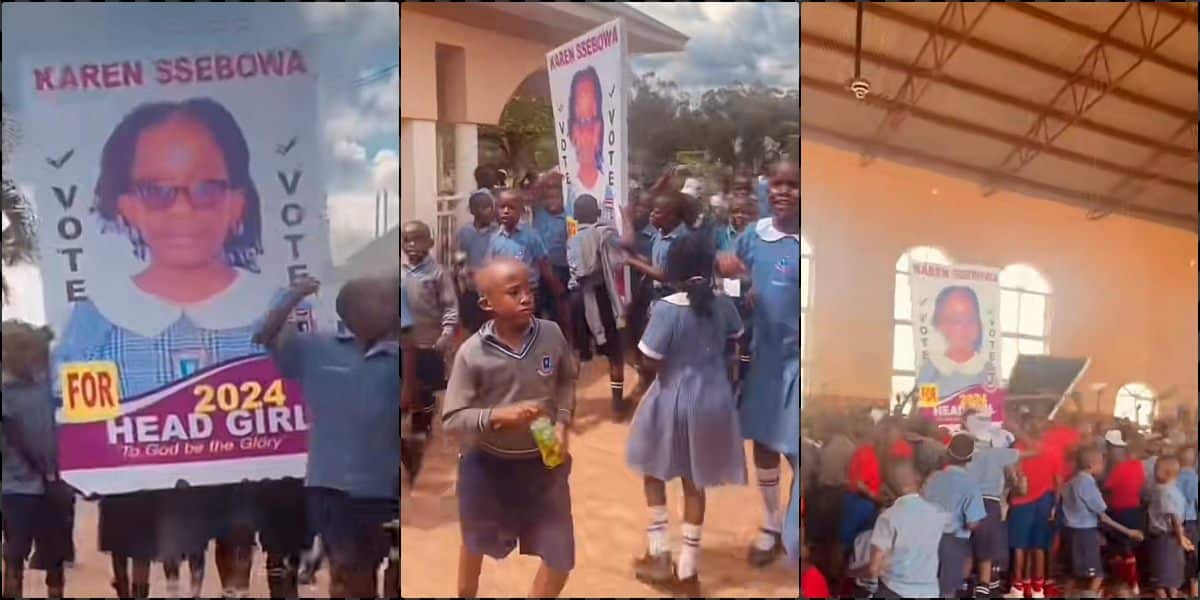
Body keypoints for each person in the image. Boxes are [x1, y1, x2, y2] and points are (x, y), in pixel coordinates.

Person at [57, 98, 287, 398]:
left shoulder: (284, 312)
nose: (182, 210)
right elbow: (79, 418)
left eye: (206, 189)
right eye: (156, 191)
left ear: (237, 202)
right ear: (127, 207)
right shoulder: (95, 324)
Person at [254, 275, 400, 598]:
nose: (392, 308)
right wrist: (293, 295)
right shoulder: (315, 348)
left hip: (388, 486)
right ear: (353, 310)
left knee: (394, 571)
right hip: (333, 487)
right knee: (349, 570)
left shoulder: (401, 354)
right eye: (383, 301)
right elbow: (265, 334)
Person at [441, 259, 579, 599]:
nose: (526, 298)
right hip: (488, 460)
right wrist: (498, 416)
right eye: (514, 292)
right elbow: (452, 418)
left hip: (545, 449)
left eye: (529, 289)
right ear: (487, 304)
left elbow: (566, 379)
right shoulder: (472, 353)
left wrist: (562, 421)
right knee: (476, 542)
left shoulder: (551, 334)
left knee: (560, 554)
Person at [625, 232, 747, 596]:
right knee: (695, 483)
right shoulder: (723, 305)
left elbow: (650, 358)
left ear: (673, 269)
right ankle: (688, 570)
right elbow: (736, 339)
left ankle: (659, 552)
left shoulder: (667, 308)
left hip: (674, 395)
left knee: (653, 470)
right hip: (715, 399)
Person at [715, 160, 801, 567]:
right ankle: (771, 524)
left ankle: (795, 534)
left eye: (793, 185)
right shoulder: (755, 234)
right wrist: (727, 269)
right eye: (777, 183)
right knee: (764, 444)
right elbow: (728, 267)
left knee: (799, 454)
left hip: (801, 365)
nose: (783, 191)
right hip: (765, 359)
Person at [1, 322, 71, 599]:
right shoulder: (13, 390)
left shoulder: (51, 384)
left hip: (47, 481)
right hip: (20, 484)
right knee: (17, 552)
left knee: (51, 553)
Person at [401, 219, 460, 483]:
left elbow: (449, 307)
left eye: (418, 239)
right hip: (402, 349)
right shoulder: (398, 273)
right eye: (406, 240)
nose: (412, 245)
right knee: (402, 397)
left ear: (430, 242)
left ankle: (420, 439)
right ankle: (408, 447)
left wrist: (445, 335)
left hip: (428, 346)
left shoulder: (437, 273)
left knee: (424, 397)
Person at [565, 194, 629, 420]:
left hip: (577, 300)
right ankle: (617, 405)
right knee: (615, 353)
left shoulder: (572, 240)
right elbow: (618, 262)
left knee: (577, 353)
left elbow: (575, 270)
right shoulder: (605, 234)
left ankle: (569, 407)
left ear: (575, 216)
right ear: (598, 213)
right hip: (600, 298)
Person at [1061, 446, 1144, 598]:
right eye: (1101, 463)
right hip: (1085, 533)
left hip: (1070, 531)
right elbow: (1103, 516)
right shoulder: (1087, 483)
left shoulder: (1071, 482)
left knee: (1073, 573)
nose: (1103, 466)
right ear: (1091, 465)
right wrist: (1128, 532)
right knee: (1097, 574)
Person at [486, 189, 568, 328]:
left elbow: (543, 263)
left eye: (511, 208)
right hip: (504, 294)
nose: (506, 211)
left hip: (529, 292)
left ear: (520, 210)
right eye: (502, 207)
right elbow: (490, 266)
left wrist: (555, 285)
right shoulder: (495, 239)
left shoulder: (530, 235)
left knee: (530, 328)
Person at [863, 463, 946, 598]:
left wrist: (870, 585)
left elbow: (874, 567)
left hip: (895, 589)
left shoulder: (888, 516)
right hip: (929, 590)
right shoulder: (937, 513)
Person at [922, 433, 987, 599]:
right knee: (947, 591)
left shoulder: (932, 478)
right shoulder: (971, 484)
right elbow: (973, 523)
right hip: (954, 542)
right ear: (970, 458)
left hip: (927, 538)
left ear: (948, 454)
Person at [1006, 421, 1057, 599]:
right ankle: (1038, 588)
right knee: (1039, 545)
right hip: (1045, 500)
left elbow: (1013, 476)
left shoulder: (1017, 449)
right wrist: (1055, 505)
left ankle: (1018, 586)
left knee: (1019, 545)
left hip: (1022, 500)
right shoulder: (1051, 450)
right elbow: (1058, 479)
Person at [915, 285, 991, 397]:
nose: (965, 327)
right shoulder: (932, 370)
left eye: (971, 319)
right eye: (956, 320)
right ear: (941, 325)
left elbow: (993, 405)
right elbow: (927, 406)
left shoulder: (986, 371)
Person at [1100, 429, 1145, 596]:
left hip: (1119, 511)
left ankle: (1127, 582)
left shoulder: (1117, 469)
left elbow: (1106, 488)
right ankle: (1131, 583)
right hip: (1135, 510)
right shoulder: (1138, 466)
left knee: (1122, 548)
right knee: (1128, 548)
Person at [564, 66, 612, 216]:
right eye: (582, 123)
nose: (593, 133)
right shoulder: (567, 189)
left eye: (594, 120)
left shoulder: (612, 188)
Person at [1147, 454, 1194, 598]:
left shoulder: (1164, 491)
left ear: (1166, 473)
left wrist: (1181, 537)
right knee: (1168, 567)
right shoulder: (1166, 491)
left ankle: (1168, 592)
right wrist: (1181, 537)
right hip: (1168, 534)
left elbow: (1174, 518)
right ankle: (1168, 592)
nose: (1154, 474)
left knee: (1165, 567)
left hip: (1167, 535)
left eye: (1156, 470)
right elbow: (1175, 517)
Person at [456, 190, 500, 334]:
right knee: (473, 327)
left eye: (490, 207)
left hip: (493, 287)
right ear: (473, 210)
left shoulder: (498, 232)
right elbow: (460, 256)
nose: (490, 211)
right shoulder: (465, 232)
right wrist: (463, 273)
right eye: (484, 207)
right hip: (472, 288)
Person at [531, 173, 571, 326]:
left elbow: (573, 241)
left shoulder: (569, 218)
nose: (551, 201)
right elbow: (532, 194)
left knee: (558, 309)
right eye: (548, 198)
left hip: (560, 269)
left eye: (555, 197)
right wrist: (545, 178)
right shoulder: (539, 211)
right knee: (538, 308)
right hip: (538, 269)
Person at [1178, 445, 1199, 599]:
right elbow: (1194, 497)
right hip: (1190, 519)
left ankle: (1181, 586)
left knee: (1181, 553)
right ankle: (1194, 589)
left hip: (1177, 520)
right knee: (1192, 554)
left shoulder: (1176, 475)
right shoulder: (1193, 477)